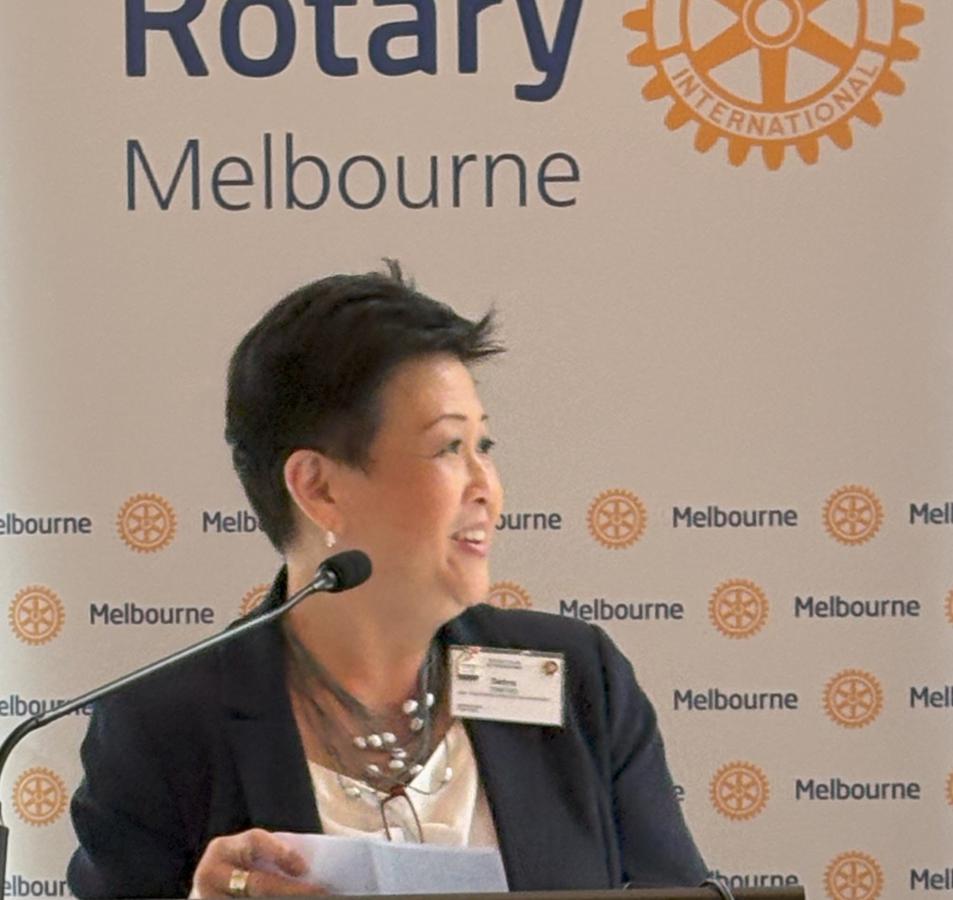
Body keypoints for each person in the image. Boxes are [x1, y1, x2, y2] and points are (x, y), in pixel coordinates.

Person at [67, 264, 708, 898]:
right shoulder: (161, 728)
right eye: (449, 448)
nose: (487, 488)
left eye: (484, 447)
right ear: (319, 488)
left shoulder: (579, 678)